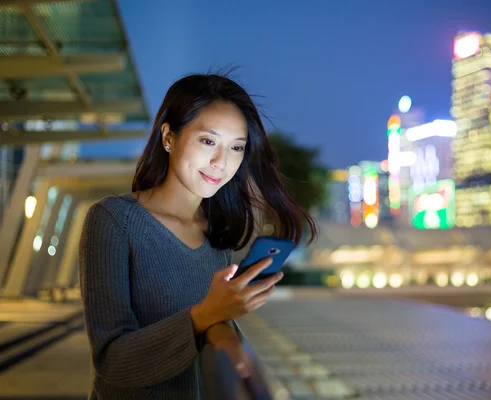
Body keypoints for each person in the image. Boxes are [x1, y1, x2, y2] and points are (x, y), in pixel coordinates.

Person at [79, 73, 317, 399]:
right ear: (168, 137)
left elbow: (206, 333)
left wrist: (227, 322)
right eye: (208, 141)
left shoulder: (216, 234)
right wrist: (209, 313)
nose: (221, 162)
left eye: (236, 148)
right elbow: (112, 360)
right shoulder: (113, 220)